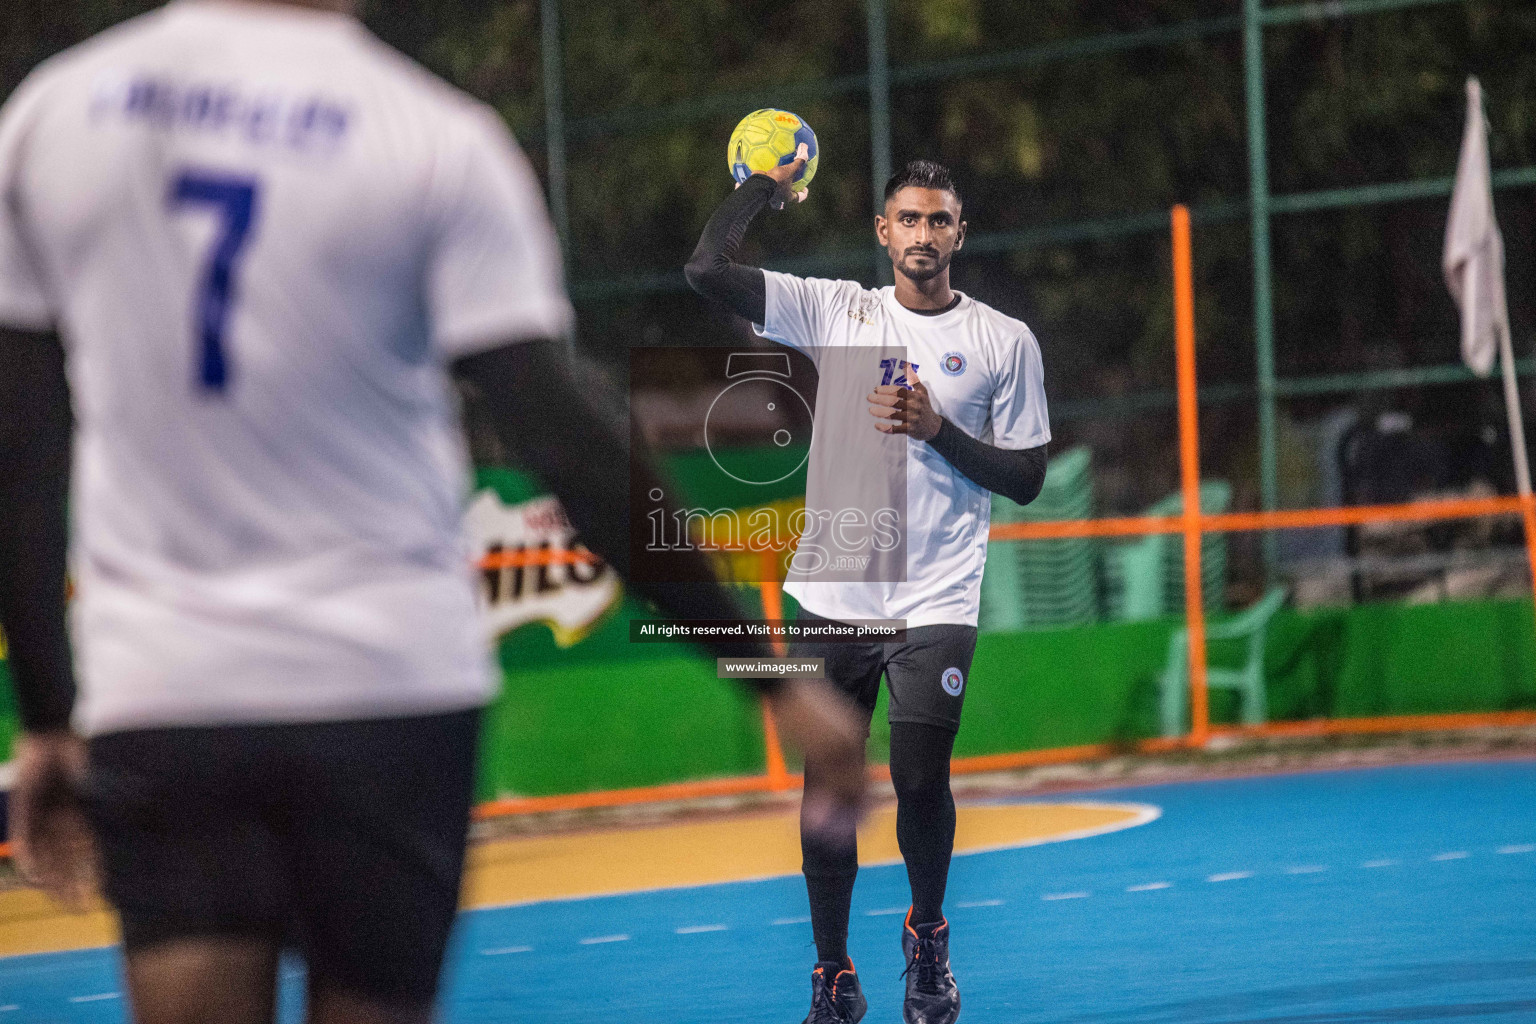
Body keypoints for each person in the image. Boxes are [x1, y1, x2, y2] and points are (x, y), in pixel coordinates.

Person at [0, 3, 866, 1023]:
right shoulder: (431, 136)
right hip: (389, 685)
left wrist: (51, 717)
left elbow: (19, 444)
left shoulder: (53, 116)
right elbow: (566, 437)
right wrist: (763, 672)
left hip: (166, 689)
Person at [686, 153, 1051, 1024]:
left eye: (939, 220)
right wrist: (763, 186)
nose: (923, 234)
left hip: (937, 600)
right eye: (908, 220)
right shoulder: (835, 309)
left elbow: (1029, 476)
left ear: (961, 233)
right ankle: (832, 975)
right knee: (828, 792)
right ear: (882, 232)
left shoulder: (1006, 342)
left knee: (921, 779)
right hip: (833, 596)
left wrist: (937, 427)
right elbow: (705, 269)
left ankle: (927, 941)